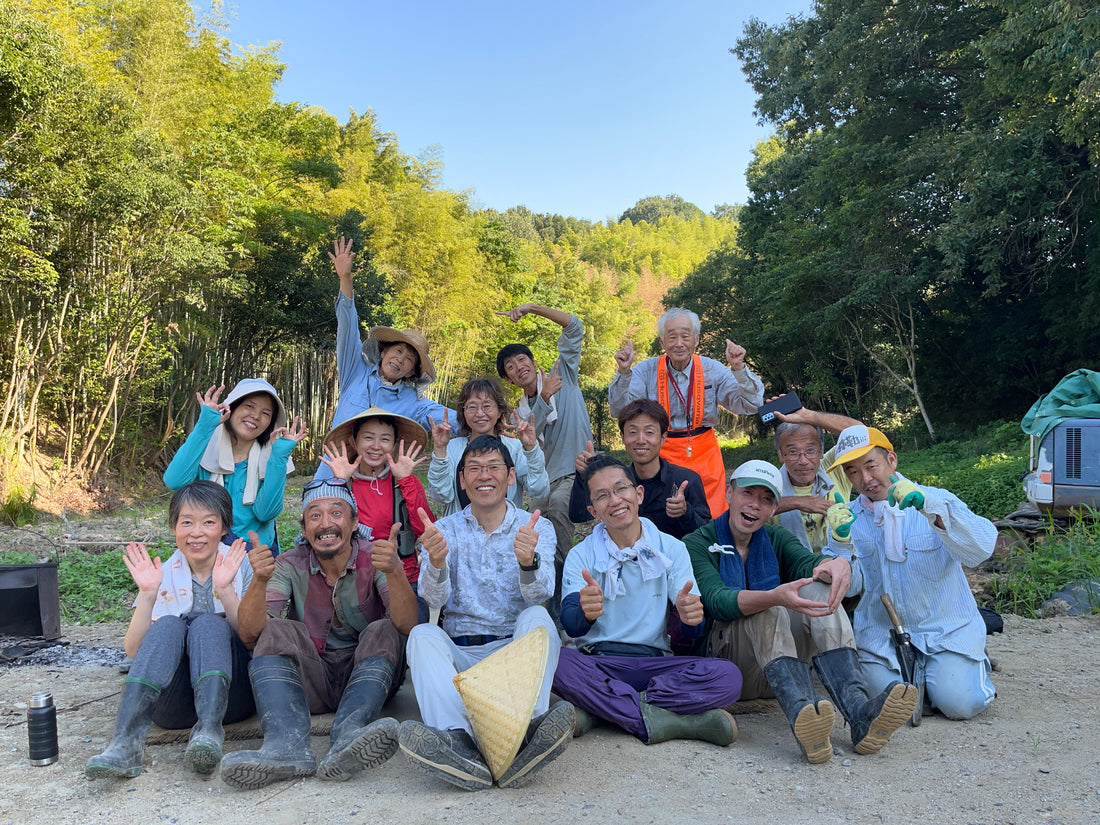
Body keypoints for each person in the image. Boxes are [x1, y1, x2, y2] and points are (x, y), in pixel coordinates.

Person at [684, 460, 917, 763]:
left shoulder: (776, 538)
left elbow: (805, 564)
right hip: (728, 666)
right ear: (729, 493)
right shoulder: (697, 542)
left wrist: (832, 564)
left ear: (774, 508)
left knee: (818, 588)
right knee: (767, 604)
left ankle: (859, 711)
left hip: (777, 667)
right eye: (748, 494)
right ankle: (801, 714)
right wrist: (774, 597)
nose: (755, 506)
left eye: (766, 500)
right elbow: (716, 601)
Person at [398, 435, 574, 791]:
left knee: (539, 621)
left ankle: (526, 732)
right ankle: (457, 742)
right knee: (422, 636)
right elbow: (433, 599)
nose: (484, 476)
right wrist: (435, 562)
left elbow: (542, 593)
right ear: (461, 480)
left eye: (493, 467)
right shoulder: (444, 530)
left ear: (511, 476)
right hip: (464, 655)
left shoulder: (536, 526)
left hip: (514, 655)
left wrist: (528, 562)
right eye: (474, 469)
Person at [219, 478, 418, 789]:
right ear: (303, 527)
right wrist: (258, 581)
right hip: (311, 682)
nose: (326, 524)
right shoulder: (287, 564)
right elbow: (249, 636)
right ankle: (286, 748)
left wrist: (394, 571)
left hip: (367, 675)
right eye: (314, 515)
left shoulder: (375, 557)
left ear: (354, 523)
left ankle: (349, 736)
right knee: (274, 630)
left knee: (384, 628)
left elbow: (407, 627)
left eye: (337, 513)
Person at [552, 455, 741, 747]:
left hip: (655, 666)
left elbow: (693, 629)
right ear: (593, 510)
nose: (615, 501)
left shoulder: (671, 548)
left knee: (728, 676)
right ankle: (672, 721)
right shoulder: (582, 554)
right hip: (599, 663)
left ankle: (601, 710)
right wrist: (585, 613)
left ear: (638, 494)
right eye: (603, 496)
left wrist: (692, 618)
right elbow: (572, 625)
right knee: (556, 663)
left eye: (621, 489)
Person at [824, 424, 997, 720]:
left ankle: (962, 671)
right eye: (852, 472)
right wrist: (840, 544)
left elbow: (981, 549)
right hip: (883, 633)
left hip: (945, 628)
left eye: (871, 465)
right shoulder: (847, 517)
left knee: (960, 704)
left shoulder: (935, 498)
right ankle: (929, 682)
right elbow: (849, 590)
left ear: (891, 460)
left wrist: (931, 511)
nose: (865, 479)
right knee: (889, 704)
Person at [86, 481, 255, 778]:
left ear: (224, 527)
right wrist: (149, 595)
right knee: (166, 624)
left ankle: (208, 731)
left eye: (209, 522)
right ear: (174, 528)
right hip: (173, 706)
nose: (196, 532)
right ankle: (126, 744)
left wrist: (226, 591)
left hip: (232, 699)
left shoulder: (241, 565)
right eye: (186, 522)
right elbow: (134, 651)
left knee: (207, 623)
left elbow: (251, 639)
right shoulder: (160, 573)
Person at [317, 236, 456, 480]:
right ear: (383, 352)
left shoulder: (414, 403)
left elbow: (453, 419)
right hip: (331, 475)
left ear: (412, 372)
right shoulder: (355, 371)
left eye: (409, 359)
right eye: (398, 351)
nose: (400, 359)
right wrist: (345, 278)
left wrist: (488, 423)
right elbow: (347, 325)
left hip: (376, 485)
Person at [609, 308, 764, 517]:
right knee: (663, 513)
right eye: (672, 337)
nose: (679, 343)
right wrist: (624, 373)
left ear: (696, 339)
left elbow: (750, 405)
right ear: (662, 343)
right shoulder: (644, 371)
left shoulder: (713, 370)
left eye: (685, 336)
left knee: (711, 514)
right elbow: (619, 410)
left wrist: (738, 368)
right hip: (660, 450)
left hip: (704, 449)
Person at [496, 302, 594, 608]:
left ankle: (565, 602)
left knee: (557, 512)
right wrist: (544, 397)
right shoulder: (521, 412)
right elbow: (530, 437)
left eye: (522, 359)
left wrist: (531, 308)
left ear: (532, 360)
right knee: (533, 529)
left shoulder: (562, 372)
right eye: (510, 367)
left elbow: (575, 325)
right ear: (509, 380)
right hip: (544, 479)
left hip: (574, 471)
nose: (518, 367)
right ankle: (536, 599)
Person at [321, 406, 436, 624]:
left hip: (403, 577)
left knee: (413, 634)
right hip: (354, 580)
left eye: (385, 439)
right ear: (354, 442)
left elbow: (426, 530)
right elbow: (329, 532)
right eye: (368, 438)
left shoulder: (406, 482)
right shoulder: (342, 483)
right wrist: (340, 484)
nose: (376, 446)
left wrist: (405, 481)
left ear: (393, 445)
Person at [163, 379, 305, 553]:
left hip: (255, 556)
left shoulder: (271, 457)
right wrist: (205, 426)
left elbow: (265, 513)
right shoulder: (205, 451)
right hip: (206, 551)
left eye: (266, 413)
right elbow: (174, 481)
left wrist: (279, 457)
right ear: (232, 407)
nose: (256, 416)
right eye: (249, 406)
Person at [569, 399, 709, 540]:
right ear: (623, 437)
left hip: (677, 559)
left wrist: (686, 511)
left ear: (662, 438)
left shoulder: (686, 481)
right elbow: (579, 516)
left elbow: (707, 536)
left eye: (649, 432)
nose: (641, 440)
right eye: (633, 432)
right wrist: (586, 475)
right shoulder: (616, 482)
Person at [427, 377, 548, 517]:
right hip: (459, 534)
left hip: (506, 533)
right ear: (463, 412)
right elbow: (441, 496)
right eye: (472, 407)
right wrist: (440, 450)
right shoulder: (452, 448)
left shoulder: (514, 448)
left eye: (487, 406)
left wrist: (532, 449)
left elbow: (539, 490)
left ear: (499, 411)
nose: (480, 413)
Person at [768, 399, 861, 552]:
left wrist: (808, 415)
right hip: (794, 572)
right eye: (793, 452)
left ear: (821, 451)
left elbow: (860, 433)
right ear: (780, 454)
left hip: (842, 565)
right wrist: (797, 502)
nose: (803, 461)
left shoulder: (833, 469)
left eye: (810, 450)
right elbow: (746, 512)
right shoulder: (771, 484)